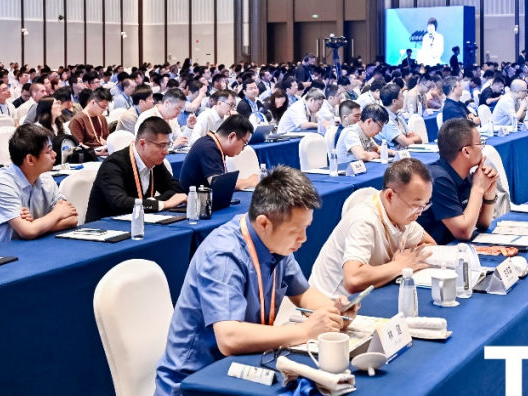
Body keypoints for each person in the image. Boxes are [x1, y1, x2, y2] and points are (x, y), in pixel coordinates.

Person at [156, 166, 353, 396]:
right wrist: (305, 330)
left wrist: (334, 313)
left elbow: (303, 293)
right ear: (264, 223)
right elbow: (229, 338)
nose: (304, 238)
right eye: (296, 231)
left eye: (306, 228)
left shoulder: (274, 242)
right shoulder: (224, 255)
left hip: (243, 368)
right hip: (195, 382)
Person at [309, 158, 436, 295]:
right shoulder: (364, 219)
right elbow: (353, 280)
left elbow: (430, 244)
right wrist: (399, 265)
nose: (420, 212)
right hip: (330, 301)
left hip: (366, 294)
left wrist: (404, 259)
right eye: (416, 205)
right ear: (390, 196)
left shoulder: (401, 214)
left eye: (425, 205)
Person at [0, 124, 78, 250]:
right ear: (30, 159)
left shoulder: (46, 178)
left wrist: (35, 225)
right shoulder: (1, 183)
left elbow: (72, 219)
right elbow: (28, 232)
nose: (54, 154)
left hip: (26, 248)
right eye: (48, 151)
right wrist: (56, 214)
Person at [85, 116, 187, 221]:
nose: (166, 151)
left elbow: (176, 190)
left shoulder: (154, 161)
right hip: (105, 225)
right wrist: (162, 204)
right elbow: (119, 203)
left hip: (137, 221)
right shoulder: (113, 164)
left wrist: (151, 202)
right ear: (142, 143)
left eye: (168, 145)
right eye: (161, 145)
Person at [417, 118, 498, 244]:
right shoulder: (438, 180)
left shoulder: (464, 175)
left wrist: (489, 193)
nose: (482, 147)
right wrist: (478, 189)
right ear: (466, 151)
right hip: (431, 252)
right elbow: (463, 233)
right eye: (480, 143)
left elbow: (482, 225)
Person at [177, 115, 258, 191]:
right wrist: (248, 182)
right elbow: (219, 184)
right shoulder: (207, 147)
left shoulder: (214, 144)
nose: (243, 149)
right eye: (244, 143)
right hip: (191, 200)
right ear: (232, 137)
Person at [380, 84, 421, 149]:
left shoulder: (398, 117)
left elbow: (419, 139)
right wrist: (407, 140)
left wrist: (407, 140)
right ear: (394, 101)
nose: (404, 97)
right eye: (402, 96)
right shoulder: (387, 121)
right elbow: (409, 144)